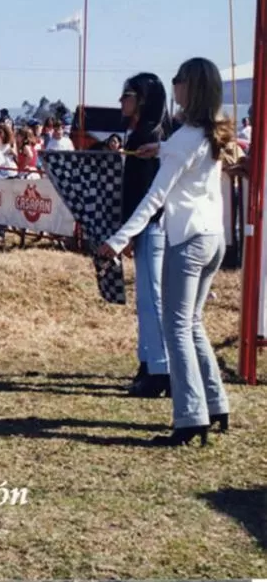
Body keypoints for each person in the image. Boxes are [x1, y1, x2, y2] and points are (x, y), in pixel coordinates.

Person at [98, 57, 235, 447]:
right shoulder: (206, 134)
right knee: (192, 323)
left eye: (178, 80)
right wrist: (159, 149)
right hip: (213, 240)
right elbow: (181, 156)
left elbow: (153, 198)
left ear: (189, 88)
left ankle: (190, 416)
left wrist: (118, 239)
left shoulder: (185, 139)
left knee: (176, 327)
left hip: (187, 241)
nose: (172, 86)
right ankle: (215, 402)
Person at [118, 73, 171, 398]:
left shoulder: (149, 136)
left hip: (152, 226)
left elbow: (148, 191)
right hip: (146, 226)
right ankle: (149, 360)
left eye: (127, 94)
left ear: (143, 99)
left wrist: (132, 230)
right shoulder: (140, 134)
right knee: (147, 300)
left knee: (152, 300)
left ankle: (160, 369)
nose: (121, 101)